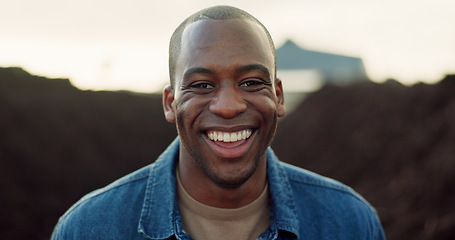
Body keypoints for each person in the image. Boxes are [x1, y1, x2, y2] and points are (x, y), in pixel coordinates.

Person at [51, 5, 385, 240]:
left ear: (279, 97)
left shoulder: (350, 222)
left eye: (252, 82)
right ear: (170, 103)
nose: (228, 106)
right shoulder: (88, 228)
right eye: (201, 85)